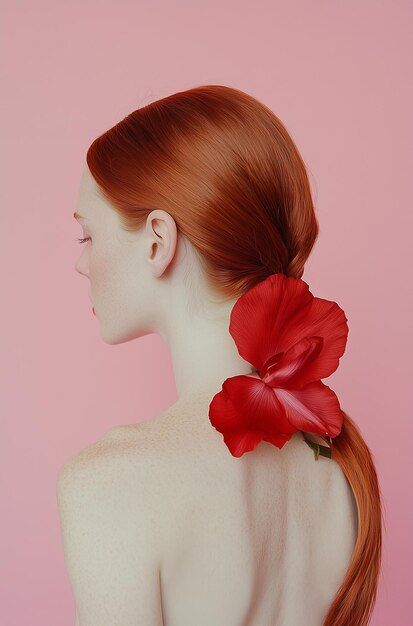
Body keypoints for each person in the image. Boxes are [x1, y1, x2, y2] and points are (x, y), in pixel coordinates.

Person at [57, 84, 383, 626]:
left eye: (87, 236)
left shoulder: (111, 480)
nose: (80, 264)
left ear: (158, 240)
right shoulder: (338, 469)